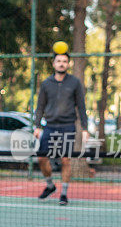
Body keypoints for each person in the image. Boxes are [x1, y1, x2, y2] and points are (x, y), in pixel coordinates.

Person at [33, 48, 89, 206]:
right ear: (54, 63)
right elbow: (40, 106)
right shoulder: (46, 83)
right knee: (41, 158)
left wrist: (84, 128)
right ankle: (50, 185)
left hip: (67, 127)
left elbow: (81, 106)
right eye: (59, 61)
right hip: (49, 127)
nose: (61, 64)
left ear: (68, 64)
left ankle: (64, 194)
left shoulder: (75, 83)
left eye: (64, 61)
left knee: (65, 160)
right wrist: (37, 126)